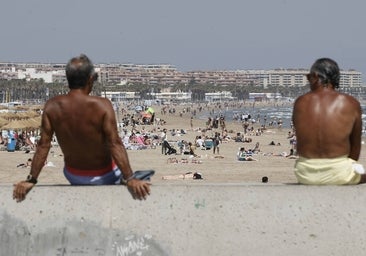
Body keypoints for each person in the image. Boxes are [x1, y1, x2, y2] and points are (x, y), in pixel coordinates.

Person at [13, 54, 151, 202]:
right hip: (105, 175)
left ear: (68, 79)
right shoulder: (102, 105)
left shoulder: (52, 106)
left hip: (73, 174)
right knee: (147, 175)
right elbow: (114, 143)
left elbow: (43, 146)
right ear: (90, 79)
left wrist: (31, 179)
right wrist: (130, 178)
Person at [292, 58, 366, 185]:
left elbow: (302, 139)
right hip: (340, 173)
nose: (308, 80)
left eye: (309, 77)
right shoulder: (350, 103)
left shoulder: (300, 102)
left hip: (305, 173)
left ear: (315, 76)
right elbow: (355, 150)